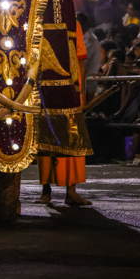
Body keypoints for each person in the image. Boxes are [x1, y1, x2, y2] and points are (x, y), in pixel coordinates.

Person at [37, 22, 92, 207]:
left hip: (69, 90)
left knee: (72, 139)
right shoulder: (37, 19)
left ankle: (71, 191)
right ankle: (46, 190)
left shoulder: (73, 23)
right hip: (44, 89)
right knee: (45, 139)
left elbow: (80, 60)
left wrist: (81, 93)